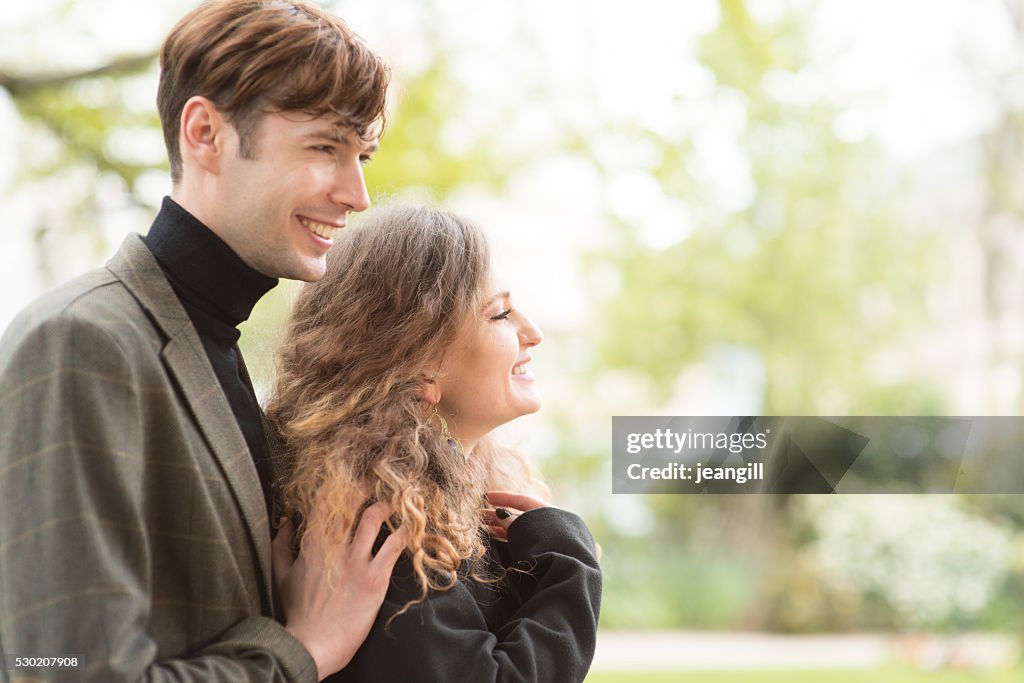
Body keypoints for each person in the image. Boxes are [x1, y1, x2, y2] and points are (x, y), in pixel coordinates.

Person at [0, 1, 405, 681]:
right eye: (326, 148)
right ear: (205, 134)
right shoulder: (82, 343)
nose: (358, 192)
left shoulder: (216, 346)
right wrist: (303, 651)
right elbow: (61, 671)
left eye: (361, 154)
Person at [267, 204, 603, 683]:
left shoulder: (438, 497)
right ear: (418, 361)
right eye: (501, 314)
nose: (533, 333)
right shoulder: (381, 523)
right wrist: (570, 564)